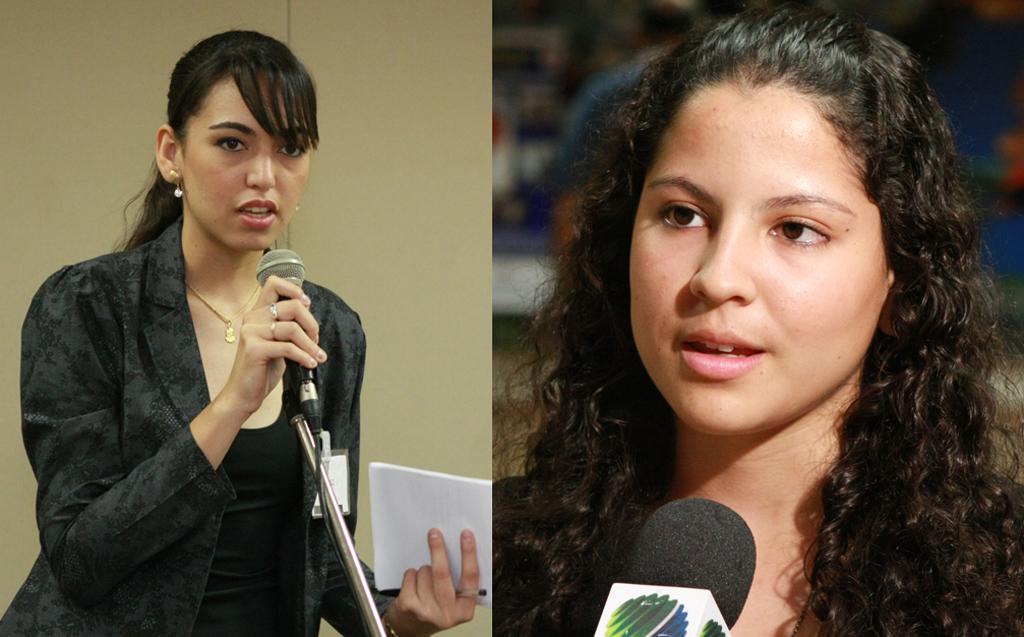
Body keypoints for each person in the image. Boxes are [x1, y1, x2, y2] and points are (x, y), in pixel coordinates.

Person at [493, 6, 1024, 636]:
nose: (718, 277)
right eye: (683, 215)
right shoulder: (496, 562)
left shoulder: (999, 585)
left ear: (901, 276)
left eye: (796, 229)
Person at [1, 31, 477, 637]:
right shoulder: (87, 306)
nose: (264, 175)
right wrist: (232, 404)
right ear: (171, 152)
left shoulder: (326, 325)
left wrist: (393, 616)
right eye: (232, 143)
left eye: (290, 149)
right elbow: (79, 558)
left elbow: (319, 546)